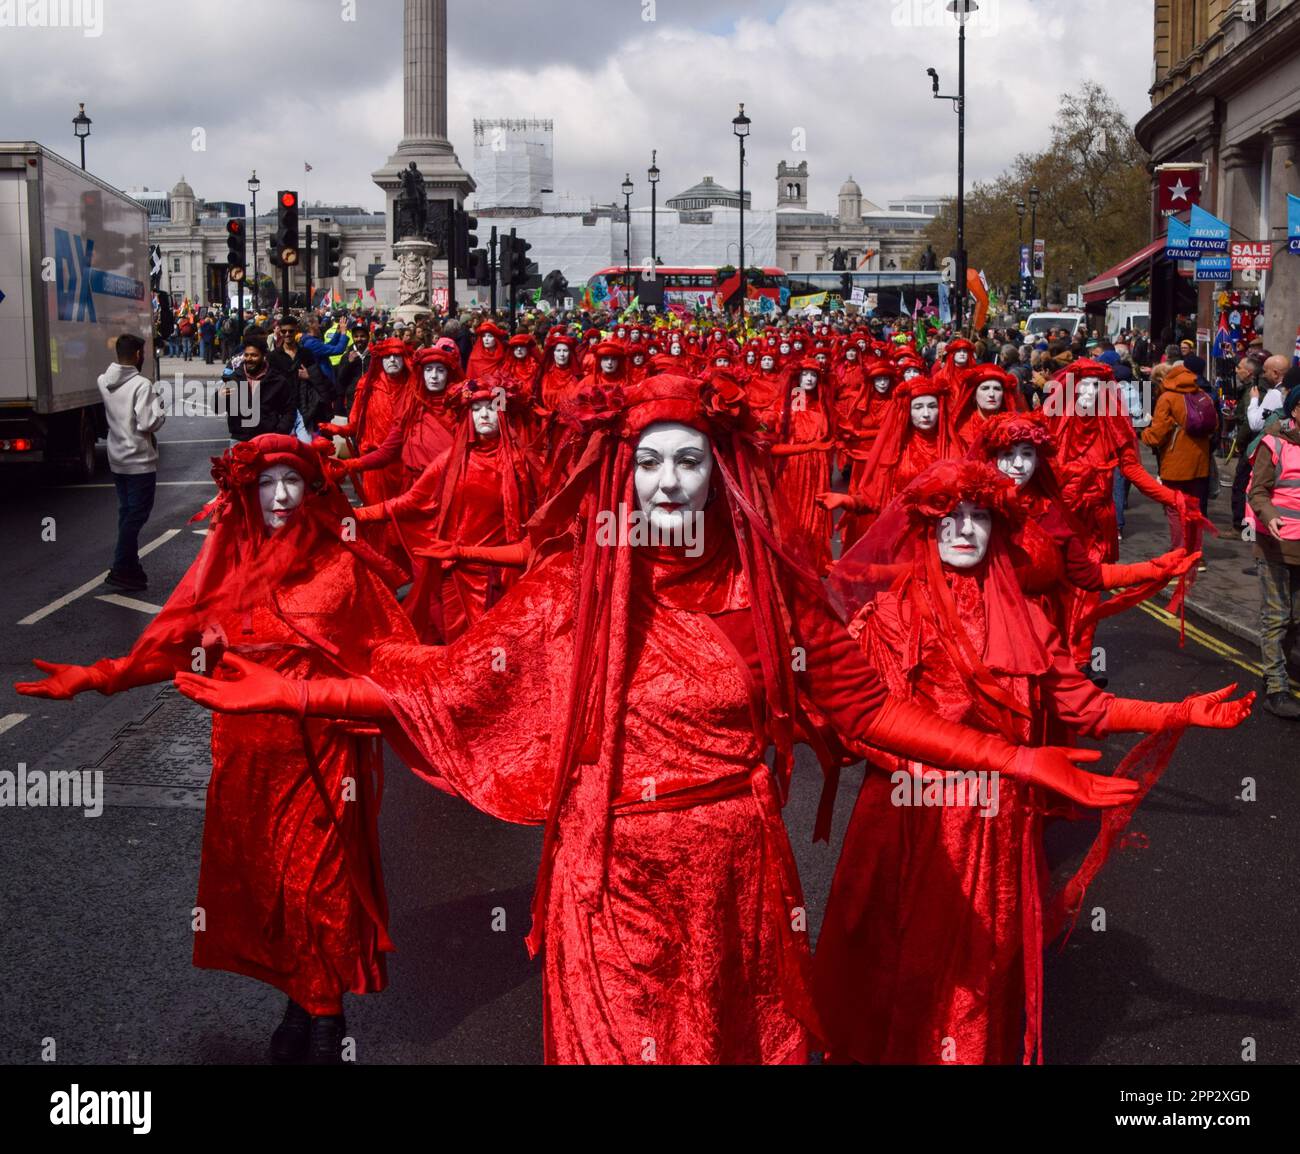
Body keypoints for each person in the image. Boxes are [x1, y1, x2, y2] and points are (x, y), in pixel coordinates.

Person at [173, 374, 1132, 1066]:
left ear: (721, 475)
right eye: (649, 463)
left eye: (689, 462)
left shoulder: (771, 599)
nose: (668, 482)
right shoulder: (572, 590)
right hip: (606, 881)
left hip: (736, 888)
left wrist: (1013, 760)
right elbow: (441, 688)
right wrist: (290, 692)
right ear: (621, 478)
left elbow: (871, 709)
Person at [816, 460, 1252, 1064]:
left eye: (980, 518)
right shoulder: (890, 615)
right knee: (899, 964)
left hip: (994, 827)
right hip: (907, 820)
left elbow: (1086, 706)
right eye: (951, 519)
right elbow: (862, 729)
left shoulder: (1028, 619)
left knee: (981, 968)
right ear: (925, 528)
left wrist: (1176, 713)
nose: (966, 530)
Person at [18, 436, 416, 1064]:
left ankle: (325, 1016)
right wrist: (100, 675)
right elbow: (189, 653)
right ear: (245, 494)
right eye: (265, 483)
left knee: (320, 888)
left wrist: (313, 695)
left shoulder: (344, 570)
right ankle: (299, 1001)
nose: (279, 496)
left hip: (324, 761)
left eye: (291, 481)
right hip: (246, 762)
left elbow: (397, 671)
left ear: (311, 491)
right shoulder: (230, 570)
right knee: (272, 890)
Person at [1246, 382, 1300, 719]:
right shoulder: (1274, 443)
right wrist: (1270, 517)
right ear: (1295, 410)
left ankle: (1282, 668)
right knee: (1277, 616)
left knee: (1296, 618)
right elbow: (1257, 491)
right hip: (1277, 544)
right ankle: (1276, 686)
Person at [97, 333, 166, 592]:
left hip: (117, 457)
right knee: (137, 515)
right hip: (139, 459)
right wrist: (160, 411)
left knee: (126, 512)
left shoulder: (103, 381)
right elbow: (148, 422)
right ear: (137, 355)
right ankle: (121, 566)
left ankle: (130, 566)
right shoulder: (141, 385)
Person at [1142, 360, 1214, 568]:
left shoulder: (1167, 398)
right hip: (1200, 462)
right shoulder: (1201, 394)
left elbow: (1156, 436)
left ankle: (1180, 553)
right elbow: (1214, 425)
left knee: (1175, 509)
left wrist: (1143, 434)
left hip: (1175, 464)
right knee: (1194, 509)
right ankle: (1196, 554)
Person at [226, 337, 298, 443]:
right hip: (240, 439)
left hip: (268, 439)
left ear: (264, 356)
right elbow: (218, 408)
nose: (249, 358)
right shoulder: (235, 378)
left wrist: (280, 432)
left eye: (254, 355)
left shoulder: (277, 380)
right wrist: (220, 397)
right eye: (246, 355)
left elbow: (289, 410)